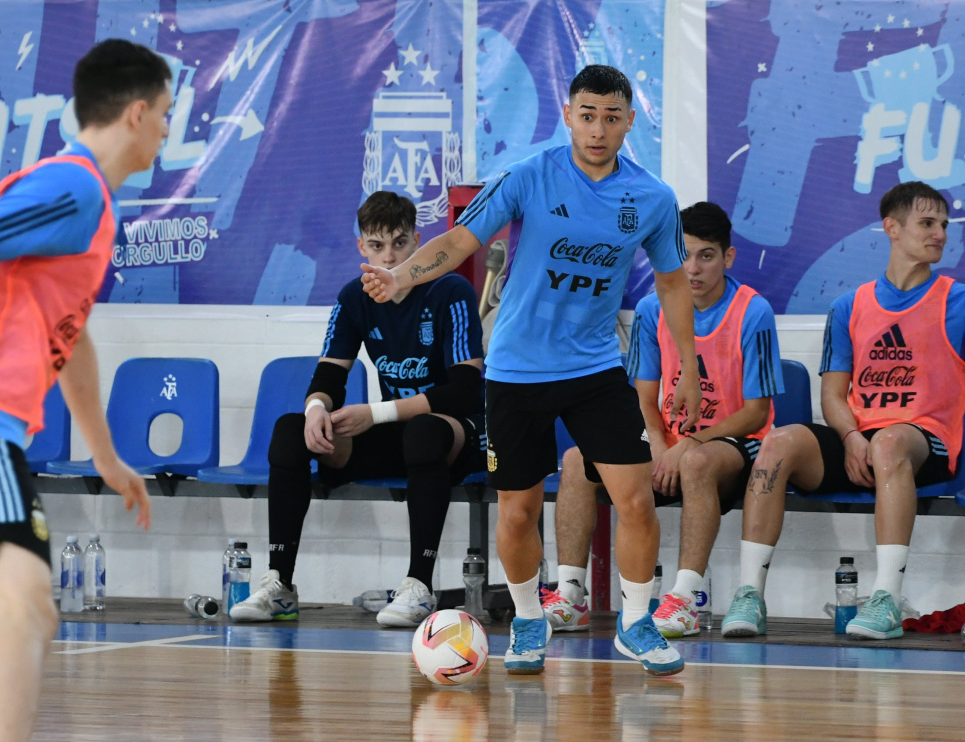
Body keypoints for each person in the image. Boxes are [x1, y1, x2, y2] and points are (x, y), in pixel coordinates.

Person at [362, 65, 701, 676]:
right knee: (518, 510)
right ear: (568, 115)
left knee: (636, 499)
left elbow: (673, 284)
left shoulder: (652, 198)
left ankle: (636, 623)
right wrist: (400, 275)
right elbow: (459, 241)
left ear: (629, 121)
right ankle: (526, 620)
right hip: (517, 370)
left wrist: (690, 367)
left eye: (611, 118)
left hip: (596, 367)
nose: (598, 129)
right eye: (587, 115)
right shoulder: (527, 176)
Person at [0, 39, 165, 742]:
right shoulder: (73, 187)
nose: (167, 130)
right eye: (165, 114)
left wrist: (106, 456)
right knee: (26, 608)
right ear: (136, 113)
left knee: (29, 609)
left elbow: (72, 341)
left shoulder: (93, 208)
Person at [721, 181, 964, 640]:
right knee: (778, 442)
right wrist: (851, 438)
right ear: (892, 228)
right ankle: (749, 594)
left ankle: (886, 598)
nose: (940, 234)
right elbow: (833, 394)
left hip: (922, 442)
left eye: (943, 225)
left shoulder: (957, 302)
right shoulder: (849, 305)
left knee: (889, 441)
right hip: (860, 440)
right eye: (927, 223)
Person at [230, 190, 486, 627]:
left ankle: (418, 587)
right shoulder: (354, 297)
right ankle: (280, 585)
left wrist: (376, 413)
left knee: (424, 431)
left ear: (418, 242)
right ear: (361, 248)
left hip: (457, 436)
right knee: (291, 430)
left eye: (400, 244)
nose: (389, 257)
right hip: (401, 436)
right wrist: (316, 408)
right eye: (377, 245)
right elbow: (329, 376)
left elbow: (464, 391)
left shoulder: (451, 290)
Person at [542, 202, 784, 639]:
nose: (693, 268)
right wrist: (655, 441)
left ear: (728, 257)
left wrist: (689, 444)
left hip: (734, 445)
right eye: (683, 255)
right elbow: (644, 396)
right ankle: (571, 595)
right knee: (577, 459)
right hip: (666, 445)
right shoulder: (653, 309)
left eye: (706, 256)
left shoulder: (753, 311)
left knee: (696, 463)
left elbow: (756, 412)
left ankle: (685, 599)